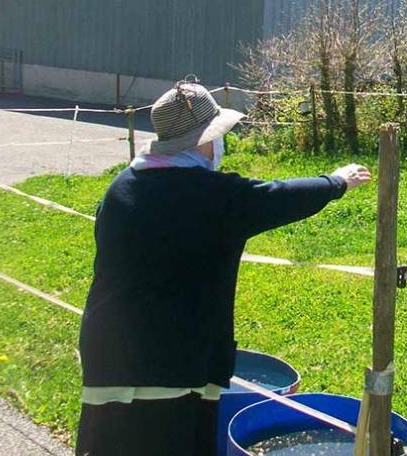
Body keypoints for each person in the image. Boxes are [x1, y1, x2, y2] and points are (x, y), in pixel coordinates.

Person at [75, 80, 370, 456]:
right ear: (205, 140)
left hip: (107, 353)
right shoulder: (212, 196)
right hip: (170, 365)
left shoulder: (121, 186)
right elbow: (278, 198)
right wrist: (336, 181)